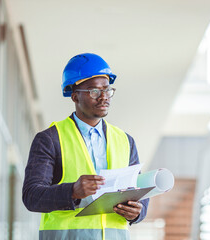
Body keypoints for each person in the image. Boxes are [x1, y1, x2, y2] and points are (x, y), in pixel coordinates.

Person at [22, 53, 149, 240]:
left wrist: (138, 213)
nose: (103, 97)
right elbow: (32, 196)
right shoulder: (50, 139)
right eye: (94, 91)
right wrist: (72, 191)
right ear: (75, 96)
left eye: (107, 90)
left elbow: (139, 192)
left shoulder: (125, 141)